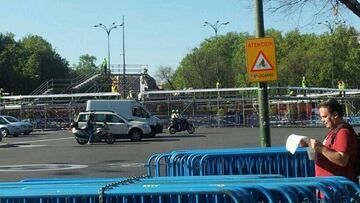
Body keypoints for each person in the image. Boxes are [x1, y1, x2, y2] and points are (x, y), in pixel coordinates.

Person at [300, 98, 358, 182]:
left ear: (335, 115)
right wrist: (309, 145)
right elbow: (327, 154)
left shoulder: (343, 132)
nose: (322, 120)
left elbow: (342, 160)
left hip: (338, 188)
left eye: (324, 116)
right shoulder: (334, 131)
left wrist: (321, 148)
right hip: (330, 187)